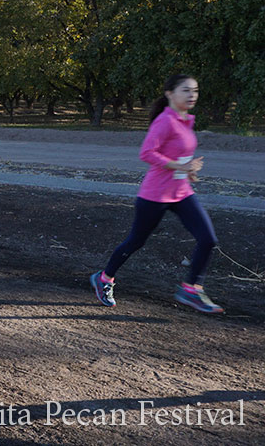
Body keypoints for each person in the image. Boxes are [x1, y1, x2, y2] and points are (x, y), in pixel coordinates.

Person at [90, 74, 222, 315]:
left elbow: (175, 153)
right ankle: (104, 278)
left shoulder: (186, 121)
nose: (192, 95)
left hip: (181, 191)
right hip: (155, 194)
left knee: (208, 238)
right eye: (186, 90)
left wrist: (187, 170)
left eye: (195, 90)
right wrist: (181, 167)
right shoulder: (165, 121)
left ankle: (191, 289)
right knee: (136, 241)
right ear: (170, 94)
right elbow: (147, 153)